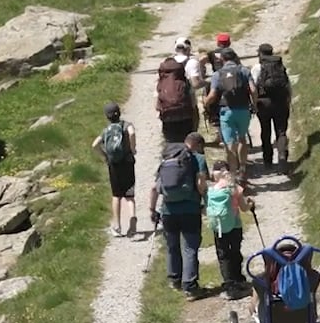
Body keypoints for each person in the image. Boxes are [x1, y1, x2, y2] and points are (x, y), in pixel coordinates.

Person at [148, 132, 212, 295]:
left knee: (172, 246)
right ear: (197, 144)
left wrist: (152, 209)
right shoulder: (197, 159)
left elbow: (154, 188)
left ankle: (174, 279)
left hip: (168, 210)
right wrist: (204, 199)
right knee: (190, 247)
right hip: (190, 209)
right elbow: (200, 184)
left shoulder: (166, 159)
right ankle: (190, 286)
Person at [205, 47, 254, 182]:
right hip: (243, 109)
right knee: (242, 139)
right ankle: (243, 169)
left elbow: (213, 95)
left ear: (222, 59)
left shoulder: (217, 74)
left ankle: (233, 173)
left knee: (229, 143)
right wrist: (254, 104)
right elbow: (253, 90)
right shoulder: (244, 71)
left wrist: (205, 103)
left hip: (226, 111)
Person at [205, 161, 251, 299]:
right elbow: (243, 208)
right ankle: (239, 280)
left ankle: (229, 285)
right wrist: (250, 204)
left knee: (223, 255)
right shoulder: (234, 188)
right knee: (235, 252)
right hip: (235, 225)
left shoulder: (212, 190)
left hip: (218, 227)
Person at [91, 103, 138, 237]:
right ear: (119, 112)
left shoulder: (106, 130)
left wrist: (105, 156)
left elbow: (94, 145)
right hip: (128, 162)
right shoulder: (126, 125)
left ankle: (117, 226)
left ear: (107, 116)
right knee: (130, 194)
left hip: (114, 165)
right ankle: (133, 219)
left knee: (116, 195)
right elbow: (132, 133)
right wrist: (133, 149)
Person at [253, 42, 292, 170]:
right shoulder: (279, 65)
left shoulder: (258, 67)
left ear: (260, 53)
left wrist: (253, 103)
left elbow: (253, 87)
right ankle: (282, 156)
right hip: (280, 102)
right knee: (281, 131)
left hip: (263, 103)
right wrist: (288, 100)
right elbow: (287, 85)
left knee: (265, 130)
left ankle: (267, 160)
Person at [156, 49, 198, 143]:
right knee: (186, 143)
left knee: (171, 143)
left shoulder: (161, 84)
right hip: (186, 117)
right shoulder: (185, 82)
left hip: (168, 118)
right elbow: (193, 104)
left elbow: (157, 106)